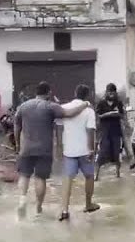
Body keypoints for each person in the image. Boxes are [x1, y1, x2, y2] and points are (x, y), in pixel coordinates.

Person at [13, 81, 90, 218]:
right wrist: (84, 104)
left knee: (24, 175)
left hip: (26, 148)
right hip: (44, 150)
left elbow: (16, 126)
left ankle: (22, 199)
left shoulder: (23, 106)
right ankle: (38, 208)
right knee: (40, 178)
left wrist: (18, 145)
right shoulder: (50, 106)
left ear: (36, 92)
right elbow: (69, 113)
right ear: (48, 93)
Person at [57, 84, 100, 221]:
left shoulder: (64, 107)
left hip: (69, 150)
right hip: (85, 150)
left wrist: (59, 146)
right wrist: (92, 149)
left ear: (75, 93)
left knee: (67, 179)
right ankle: (88, 204)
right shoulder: (89, 111)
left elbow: (58, 129)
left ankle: (64, 210)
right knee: (89, 176)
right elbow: (91, 131)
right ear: (87, 95)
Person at [95, 83, 128, 177]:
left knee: (117, 153)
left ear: (115, 92)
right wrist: (108, 114)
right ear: (106, 92)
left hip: (116, 131)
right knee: (102, 152)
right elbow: (98, 116)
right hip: (105, 131)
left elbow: (122, 115)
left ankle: (117, 174)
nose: (111, 94)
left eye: (113, 92)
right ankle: (96, 175)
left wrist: (117, 114)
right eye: (109, 92)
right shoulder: (101, 103)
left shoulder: (119, 103)